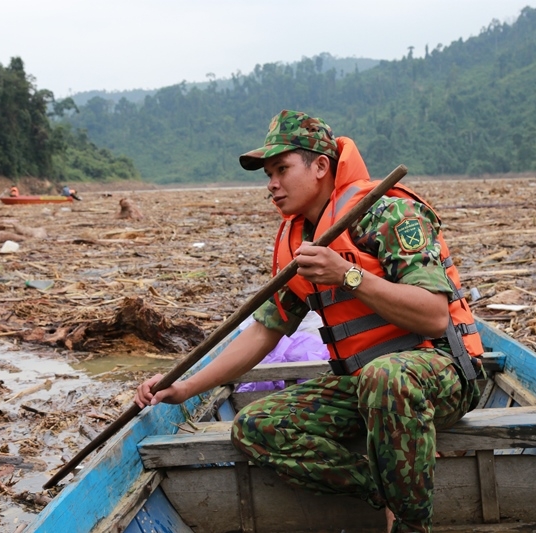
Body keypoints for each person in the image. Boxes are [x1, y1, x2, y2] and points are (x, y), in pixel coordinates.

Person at [135, 110, 483, 533]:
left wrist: (348, 275)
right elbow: (265, 331)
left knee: (387, 376)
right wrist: (185, 387)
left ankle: (410, 525)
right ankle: (384, 485)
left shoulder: (389, 214)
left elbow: (432, 315)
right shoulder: (297, 240)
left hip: (440, 375)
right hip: (364, 386)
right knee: (256, 426)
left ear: (320, 166)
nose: (271, 185)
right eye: (267, 174)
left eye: (281, 169)